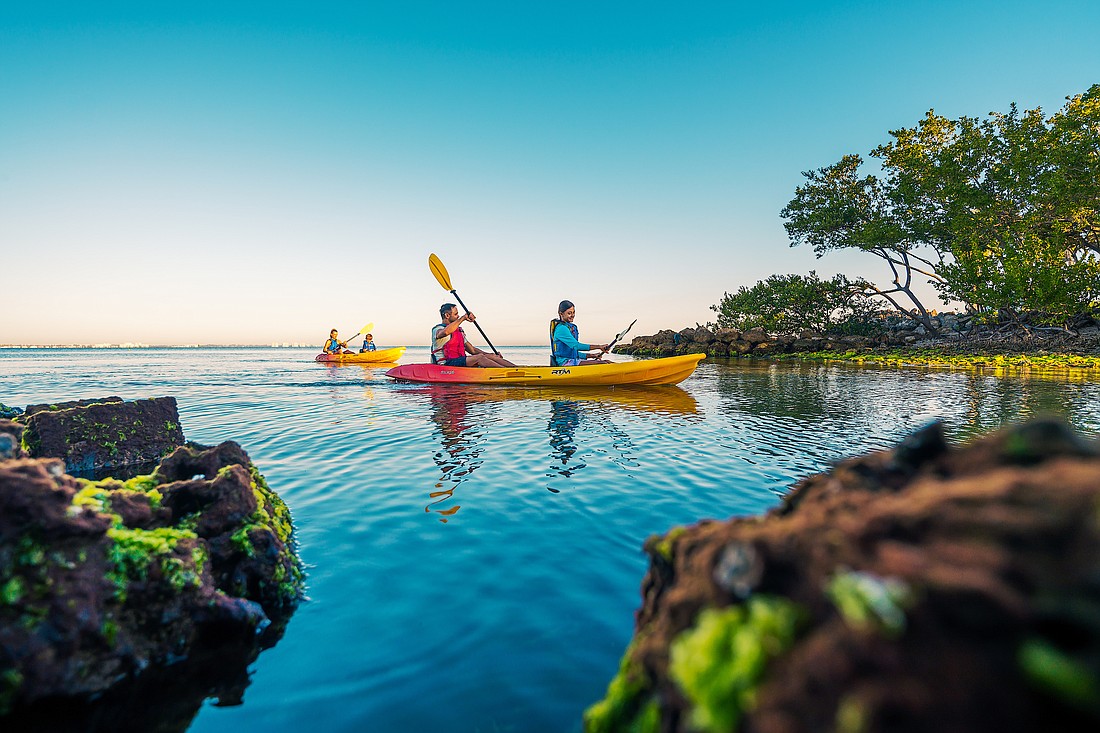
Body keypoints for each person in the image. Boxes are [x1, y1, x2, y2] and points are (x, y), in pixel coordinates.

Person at [432, 303, 516, 367]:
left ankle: (516, 368)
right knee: (479, 358)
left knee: (492, 357)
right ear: (447, 315)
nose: (458, 316)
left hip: (459, 361)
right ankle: (505, 372)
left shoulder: (458, 331)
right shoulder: (437, 329)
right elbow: (445, 332)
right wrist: (463, 318)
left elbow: (472, 350)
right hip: (446, 364)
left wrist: (489, 354)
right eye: (456, 314)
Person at [550, 300, 610, 366]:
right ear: (561, 314)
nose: (572, 315)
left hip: (573, 360)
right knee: (602, 364)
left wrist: (592, 355)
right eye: (569, 313)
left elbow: (574, 353)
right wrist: (599, 346)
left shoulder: (569, 327)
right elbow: (577, 346)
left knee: (607, 362)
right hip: (564, 362)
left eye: (573, 312)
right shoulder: (561, 329)